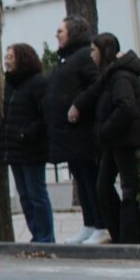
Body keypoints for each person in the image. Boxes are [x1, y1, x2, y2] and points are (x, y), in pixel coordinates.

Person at [79, 34, 140, 244]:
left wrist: (105, 131)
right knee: (104, 186)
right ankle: (122, 234)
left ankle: (130, 237)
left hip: (126, 141)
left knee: (129, 189)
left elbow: (126, 108)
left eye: (94, 50)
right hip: (116, 141)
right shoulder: (110, 76)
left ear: (104, 51)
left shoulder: (120, 76)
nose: (91, 55)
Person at [45, 15, 106, 244]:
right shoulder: (68, 59)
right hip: (69, 134)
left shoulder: (83, 57)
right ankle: (89, 224)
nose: (57, 35)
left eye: (61, 31)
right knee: (81, 179)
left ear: (73, 33)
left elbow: (96, 84)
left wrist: (78, 104)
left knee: (90, 178)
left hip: (82, 133)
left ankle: (101, 225)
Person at [1, 43, 53, 243]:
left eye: (10, 56)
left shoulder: (38, 83)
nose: (6, 60)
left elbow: (44, 115)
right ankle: (36, 234)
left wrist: (27, 134)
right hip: (15, 149)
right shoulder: (10, 84)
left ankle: (46, 237)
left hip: (31, 148)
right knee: (24, 195)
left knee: (36, 194)